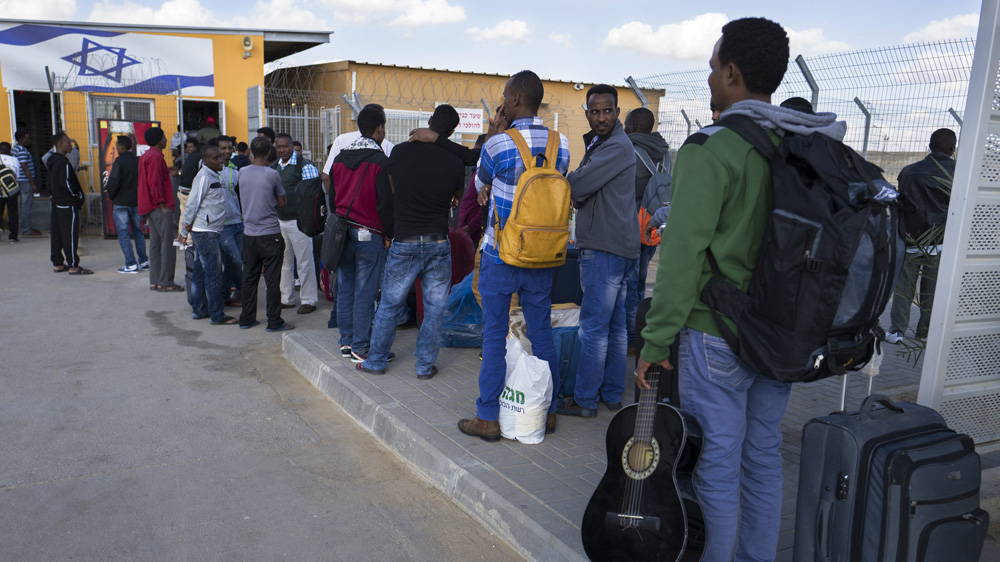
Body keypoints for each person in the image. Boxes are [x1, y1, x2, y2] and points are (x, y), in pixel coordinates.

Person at [634, 18, 845, 561]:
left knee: (719, 466)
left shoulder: (711, 149)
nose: (708, 77)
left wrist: (656, 344)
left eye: (711, 67)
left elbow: (680, 260)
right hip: (782, 334)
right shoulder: (799, 146)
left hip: (716, 336)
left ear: (731, 73)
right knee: (763, 456)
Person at [457, 70, 570, 442]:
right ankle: (547, 411)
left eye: (505, 96)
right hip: (541, 256)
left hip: (501, 254)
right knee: (542, 335)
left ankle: (487, 416)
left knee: (493, 334)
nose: (501, 101)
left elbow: (479, 184)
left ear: (516, 100)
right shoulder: (562, 145)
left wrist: (493, 138)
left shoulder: (498, 145)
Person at [358, 104, 465, 378]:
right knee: (435, 309)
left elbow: (393, 190)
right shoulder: (454, 162)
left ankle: (376, 362)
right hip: (438, 242)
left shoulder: (400, 152)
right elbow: (456, 198)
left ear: (429, 121)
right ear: (452, 131)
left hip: (404, 240)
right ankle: (424, 366)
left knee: (389, 305)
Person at [558, 84, 639, 418]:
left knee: (594, 329)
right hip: (616, 247)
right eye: (595, 111)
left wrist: (576, 181)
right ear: (587, 112)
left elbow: (576, 185)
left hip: (605, 249)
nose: (601, 117)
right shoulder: (605, 144)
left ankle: (585, 400)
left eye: (607, 110)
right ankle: (612, 395)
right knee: (615, 329)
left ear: (618, 112)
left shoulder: (616, 147)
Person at [329, 104, 394, 362]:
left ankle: (346, 342)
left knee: (346, 288)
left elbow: (333, 199)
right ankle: (361, 347)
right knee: (366, 292)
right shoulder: (380, 161)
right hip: (370, 233)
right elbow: (385, 203)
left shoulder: (339, 158)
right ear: (379, 129)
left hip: (342, 233)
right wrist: (389, 233)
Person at [885, 128, 957, 343]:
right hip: (941, 241)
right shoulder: (960, 172)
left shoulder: (909, 171)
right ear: (952, 148)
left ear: (929, 146)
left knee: (903, 287)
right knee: (931, 290)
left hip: (910, 239)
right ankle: (924, 333)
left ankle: (897, 331)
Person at [623, 107, 670, 350]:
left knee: (628, 288)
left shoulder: (628, 150)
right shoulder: (664, 151)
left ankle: (631, 339)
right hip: (652, 225)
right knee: (639, 285)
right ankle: (637, 336)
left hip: (630, 225)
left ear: (632, 126)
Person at [239, 137, 294, 332]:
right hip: (270, 233)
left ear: (251, 153)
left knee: (249, 278)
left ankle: (246, 318)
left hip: (249, 234)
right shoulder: (272, 175)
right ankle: (274, 321)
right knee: (272, 280)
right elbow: (282, 202)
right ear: (270, 153)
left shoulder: (242, 172)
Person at [179, 145, 237, 324]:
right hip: (206, 233)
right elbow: (192, 204)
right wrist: (183, 230)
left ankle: (199, 310)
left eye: (220, 157)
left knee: (200, 272)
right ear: (205, 161)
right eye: (216, 158)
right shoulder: (204, 176)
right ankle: (217, 315)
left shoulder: (212, 175)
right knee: (213, 274)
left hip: (209, 231)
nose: (220, 160)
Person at [270, 133, 320, 314]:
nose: (282, 150)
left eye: (285, 146)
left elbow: (313, 195)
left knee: (304, 262)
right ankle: (287, 298)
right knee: (284, 262)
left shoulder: (304, 166)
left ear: (292, 146)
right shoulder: (274, 167)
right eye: (279, 147)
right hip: (280, 221)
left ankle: (309, 300)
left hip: (300, 223)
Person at [138, 127, 183, 292]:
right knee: (168, 246)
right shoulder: (156, 157)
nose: (166, 139)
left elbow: (152, 179)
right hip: (159, 207)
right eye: (164, 137)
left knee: (155, 245)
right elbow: (154, 183)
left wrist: (167, 171)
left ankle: (155, 281)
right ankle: (166, 283)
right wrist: (162, 204)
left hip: (150, 207)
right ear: (158, 140)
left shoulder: (147, 156)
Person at [47, 132, 90, 274]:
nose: (70, 145)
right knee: (70, 234)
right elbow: (67, 183)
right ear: (60, 145)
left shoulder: (52, 161)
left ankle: (58, 263)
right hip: (67, 203)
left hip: (57, 202)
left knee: (57, 233)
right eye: (68, 143)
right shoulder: (63, 163)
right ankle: (73, 265)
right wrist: (76, 196)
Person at [105, 135, 148, 274]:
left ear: (122, 147)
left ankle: (131, 264)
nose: (116, 147)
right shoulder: (139, 161)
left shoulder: (118, 162)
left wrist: (112, 196)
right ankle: (143, 261)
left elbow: (113, 183)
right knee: (138, 232)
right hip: (136, 203)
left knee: (123, 234)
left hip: (121, 203)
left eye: (117, 145)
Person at [216, 135, 244, 306]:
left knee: (233, 263)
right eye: (223, 148)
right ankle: (244, 294)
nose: (226, 151)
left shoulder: (236, 169)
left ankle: (227, 295)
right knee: (236, 261)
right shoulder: (210, 169)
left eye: (229, 148)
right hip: (222, 225)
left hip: (238, 223)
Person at [12, 130, 41, 237]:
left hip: (18, 180)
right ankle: (26, 229)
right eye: (27, 138)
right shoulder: (22, 151)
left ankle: (23, 227)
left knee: (21, 204)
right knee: (26, 205)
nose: (29, 140)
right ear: (21, 139)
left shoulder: (15, 149)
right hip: (25, 181)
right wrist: (32, 183)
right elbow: (25, 166)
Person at [0, 142, 21, 243]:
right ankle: (13, 236)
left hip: (0, 190)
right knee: (13, 213)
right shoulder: (15, 160)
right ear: (10, 149)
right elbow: (17, 175)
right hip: (11, 190)